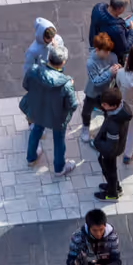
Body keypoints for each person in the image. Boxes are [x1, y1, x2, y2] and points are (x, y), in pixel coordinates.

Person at [21, 48, 78, 176]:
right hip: (57, 116)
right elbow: (72, 105)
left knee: (36, 130)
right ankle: (59, 168)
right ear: (63, 62)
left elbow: (26, 85)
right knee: (59, 140)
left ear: (49, 58)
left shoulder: (34, 70)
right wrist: (70, 86)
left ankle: (31, 158)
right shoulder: (66, 84)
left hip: (38, 109)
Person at [92, 88, 131, 202]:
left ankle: (112, 194)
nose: (102, 105)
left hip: (110, 152)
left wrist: (97, 144)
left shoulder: (113, 124)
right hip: (116, 147)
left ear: (113, 106)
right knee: (111, 170)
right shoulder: (121, 109)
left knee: (109, 170)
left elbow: (110, 147)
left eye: (105, 104)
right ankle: (114, 186)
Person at [80, 32, 119, 144]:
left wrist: (117, 69)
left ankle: (105, 130)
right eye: (105, 51)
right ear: (97, 49)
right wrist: (109, 72)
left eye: (109, 50)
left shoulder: (112, 56)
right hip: (93, 92)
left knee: (108, 112)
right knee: (86, 112)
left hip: (106, 92)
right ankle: (85, 127)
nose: (108, 53)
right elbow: (96, 81)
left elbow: (115, 71)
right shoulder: (91, 63)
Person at [88, 0, 133, 67]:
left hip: (94, 45)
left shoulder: (98, 7)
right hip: (110, 57)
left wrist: (120, 22)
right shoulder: (117, 30)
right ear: (119, 8)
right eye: (124, 7)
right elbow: (125, 48)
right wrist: (132, 30)